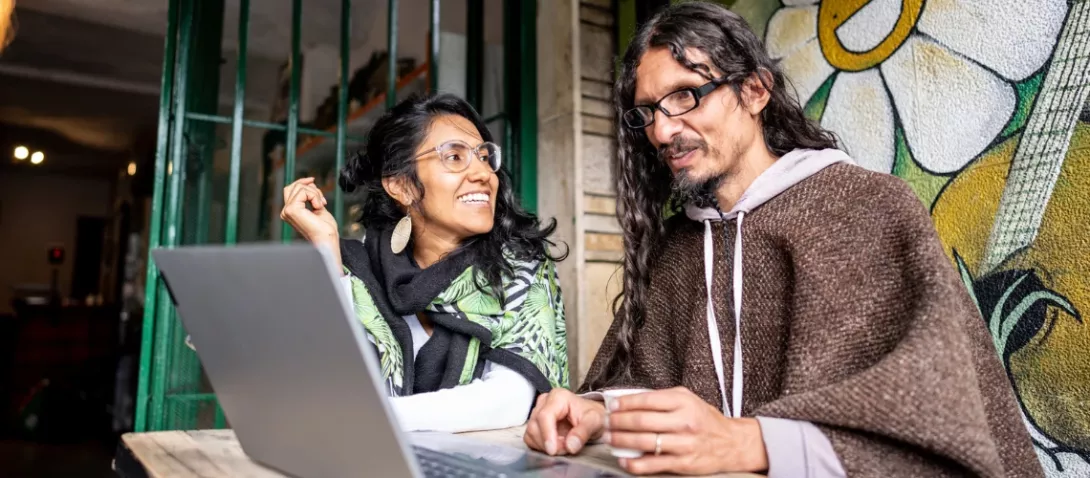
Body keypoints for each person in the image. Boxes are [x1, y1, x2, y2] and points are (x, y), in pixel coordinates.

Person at [523, 2, 1042, 477]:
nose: (661, 131)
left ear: (754, 90)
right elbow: (643, 379)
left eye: (684, 96)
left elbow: (938, 419)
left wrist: (751, 443)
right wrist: (594, 411)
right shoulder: (676, 250)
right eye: (648, 112)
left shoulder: (868, 209)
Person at [281, 93, 569, 433]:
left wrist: (364, 417)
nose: (482, 173)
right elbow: (325, 379)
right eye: (455, 156)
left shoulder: (521, 271)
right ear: (402, 186)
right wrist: (326, 253)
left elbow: (507, 400)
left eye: (483, 156)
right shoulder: (361, 266)